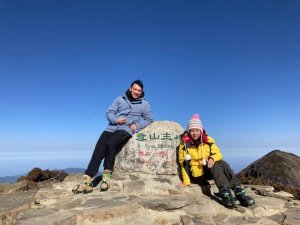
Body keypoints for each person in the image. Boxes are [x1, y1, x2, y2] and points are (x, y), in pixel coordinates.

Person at [73, 80, 154, 193]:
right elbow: (109, 112)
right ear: (130, 88)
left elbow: (149, 119)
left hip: (125, 130)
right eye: (135, 89)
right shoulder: (119, 99)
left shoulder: (144, 104)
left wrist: (137, 126)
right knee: (98, 151)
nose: (136, 92)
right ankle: (87, 179)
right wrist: (116, 119)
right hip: (111, 128)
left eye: (139, 91)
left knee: (111, 144)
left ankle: (106, 178)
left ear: (142, 92)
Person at [178, 114, 255, 208]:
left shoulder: (209, 140)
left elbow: (218, 154)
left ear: (201, 131)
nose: (195, 133)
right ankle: (226, 194)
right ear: (189, 131)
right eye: (192, 130)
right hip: (197, 174)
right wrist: (186, 181)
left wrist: (211, 158)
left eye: (197, 130)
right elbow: (183, 163)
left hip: (209, 169)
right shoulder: (184, 144)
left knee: (222, 163)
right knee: (218, 164)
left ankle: (238, 191)